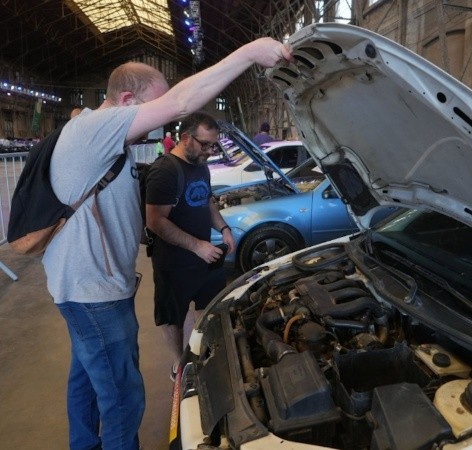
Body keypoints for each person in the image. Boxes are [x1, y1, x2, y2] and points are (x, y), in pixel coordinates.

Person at [41, 37, 291, 450]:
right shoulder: (94, 129)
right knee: (122, 396)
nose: (158, 124)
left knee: (85, 380)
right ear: (125, 100)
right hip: (93, 293)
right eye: (150, 108)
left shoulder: (102, 141)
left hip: (84, 288)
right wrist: (250, 53)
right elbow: (179, 104)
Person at [145, 113, 235, 381]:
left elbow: (206, 202)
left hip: (204, 257)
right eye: (205, 144)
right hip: (174, 263)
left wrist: (224, 228)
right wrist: (197, 246)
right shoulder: (164, 171)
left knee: (210, 309)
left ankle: (203, 352)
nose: (210, 150)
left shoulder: (202, 166)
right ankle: (179, 364)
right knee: (173, 315)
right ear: (185, 138)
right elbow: (155, 222)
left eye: (213, 145)